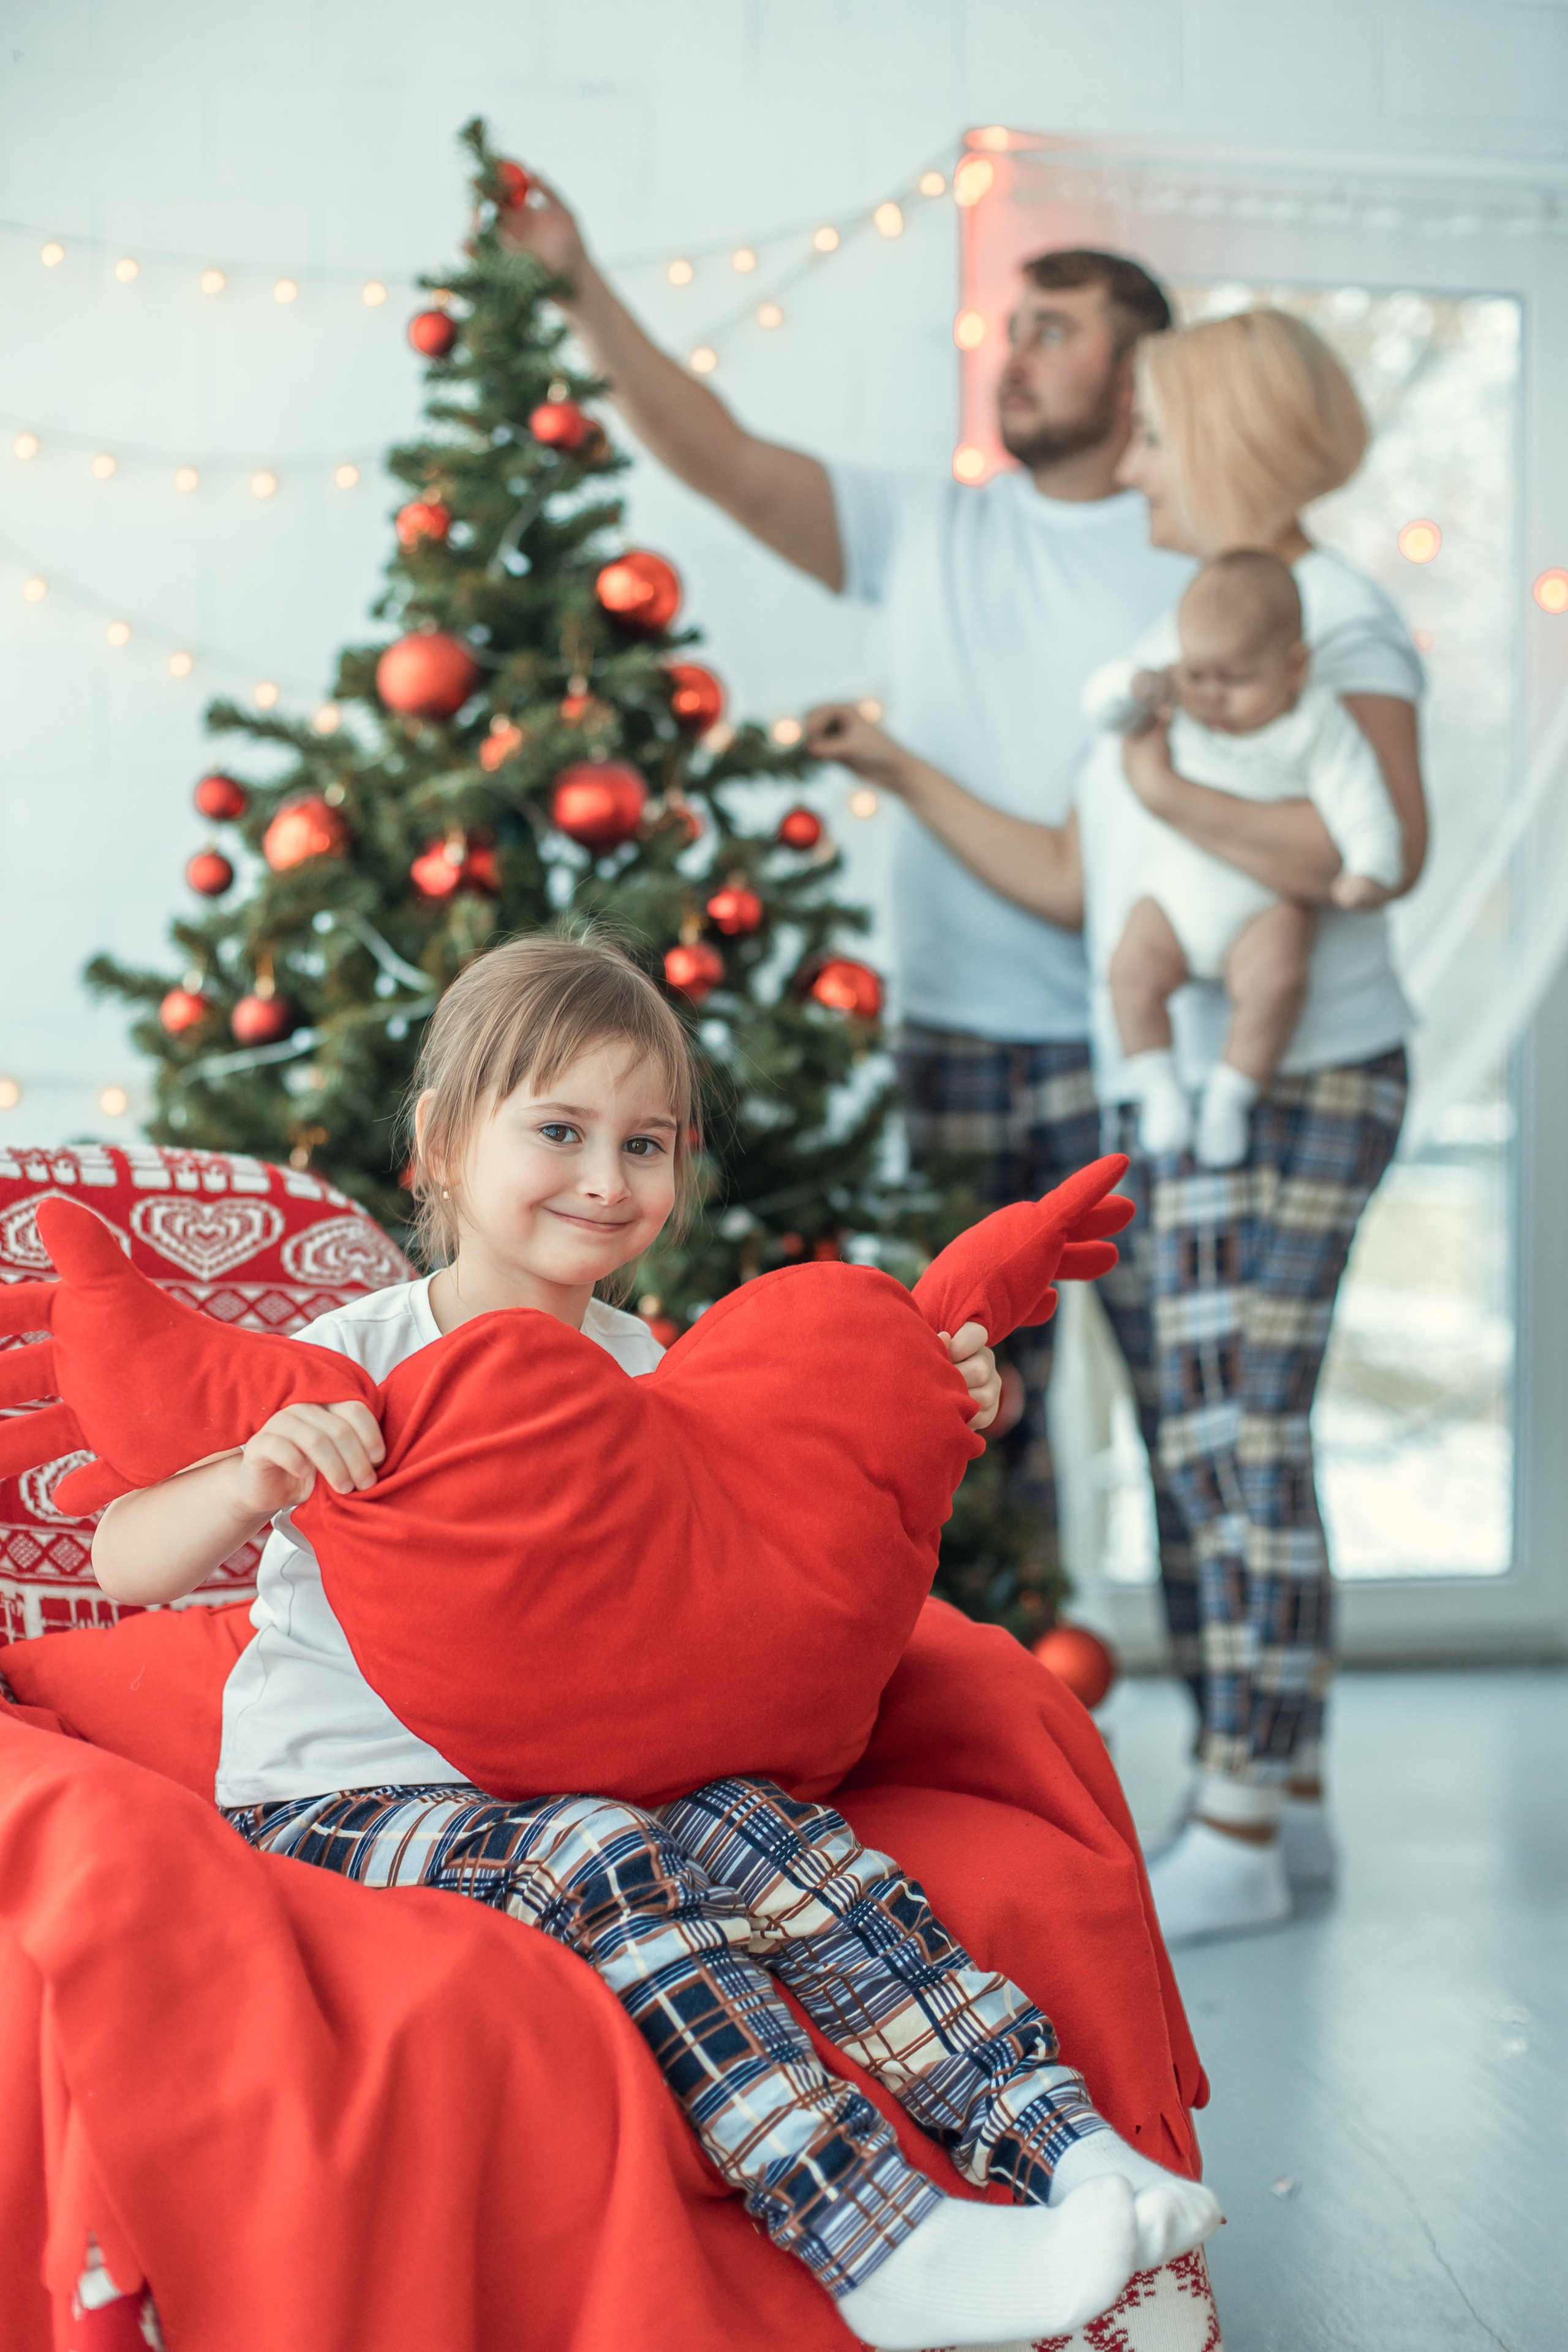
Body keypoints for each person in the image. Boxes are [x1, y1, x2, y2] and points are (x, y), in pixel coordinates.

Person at [89, 933, 1219, 2348]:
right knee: (594, 1850)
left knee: (758, 1826)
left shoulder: (660, 1376)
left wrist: (934, 1406)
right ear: (439, 1144)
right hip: (343, 1797)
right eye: (557, 1131)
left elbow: (763, 1575)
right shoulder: (359, 1351)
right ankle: (879, 2238)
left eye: (648, 1142)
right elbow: (121, 1555)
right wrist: (252, 1473)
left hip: (595, 1761)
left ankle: (1057, 2140)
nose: (606, 1178)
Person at [497, 178, 1195, 1632]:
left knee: (1190, 1419)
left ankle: (1249, 1796)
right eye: (1011, 325)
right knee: (972, 1427)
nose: (1014, 353)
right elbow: (721, 459)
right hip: (953, 1041)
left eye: (1053, 330)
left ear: (1139, 373)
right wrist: (572, 280)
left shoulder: (1200, 567)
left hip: (1152, 1052)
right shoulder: (929, 529)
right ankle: (1019, 1746)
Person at [805, 308, 1425, 1944]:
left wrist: (1167, 795)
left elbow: (1380, 845)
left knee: (1235, 1439)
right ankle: (1277, 1803)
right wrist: (904, 768)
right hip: (1215, 1082)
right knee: (1234, 1432)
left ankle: (1239, 1803)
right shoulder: (1192, 631)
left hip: (1298, 1080)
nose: (1131, 465)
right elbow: (1086, 886)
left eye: (1154, 436)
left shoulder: (1333, 622)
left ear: (1219, 445)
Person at [1094, 549, 1404, 1167]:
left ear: (1295, 665)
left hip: (1264, 900)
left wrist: (1371, 867)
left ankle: (1232, 1094)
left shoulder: (1317, 723)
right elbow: (1099, 706)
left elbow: (1361, 796)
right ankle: (1160, 1088)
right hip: (1176, 888)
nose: (1210, 696)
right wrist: (1131, 687)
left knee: (1277, 982)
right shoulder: (1172, 694)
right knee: (1128, 972)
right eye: (1196, 675)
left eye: (1234, 681)